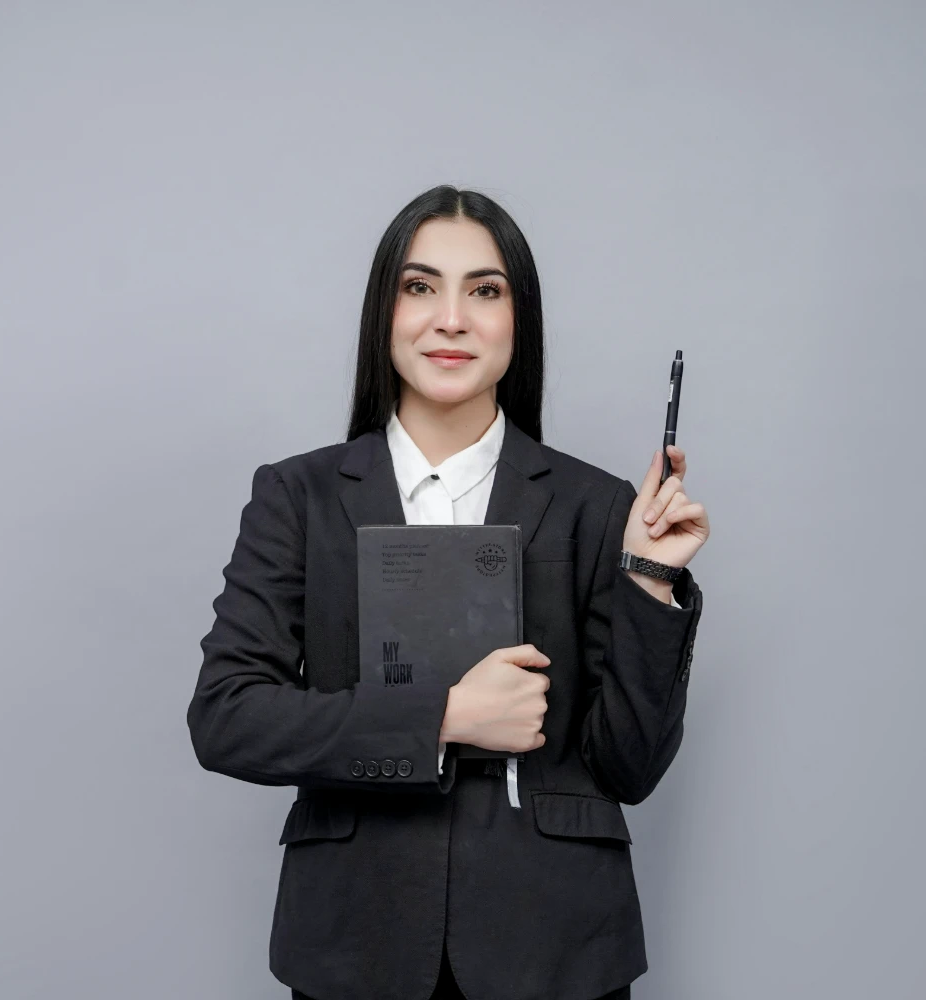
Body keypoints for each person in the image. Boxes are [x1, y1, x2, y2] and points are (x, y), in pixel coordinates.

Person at [186, 185, 709, 1000]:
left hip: (556, 948)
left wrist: (649, 576)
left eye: (485, 291)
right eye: (420, 287)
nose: (451, 319)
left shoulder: (599, 508)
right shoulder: (298, 497)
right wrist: (442, 719)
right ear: (383, 312)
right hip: (357, 938)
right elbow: (227, 718)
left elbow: (629, 767)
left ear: (517, 319)